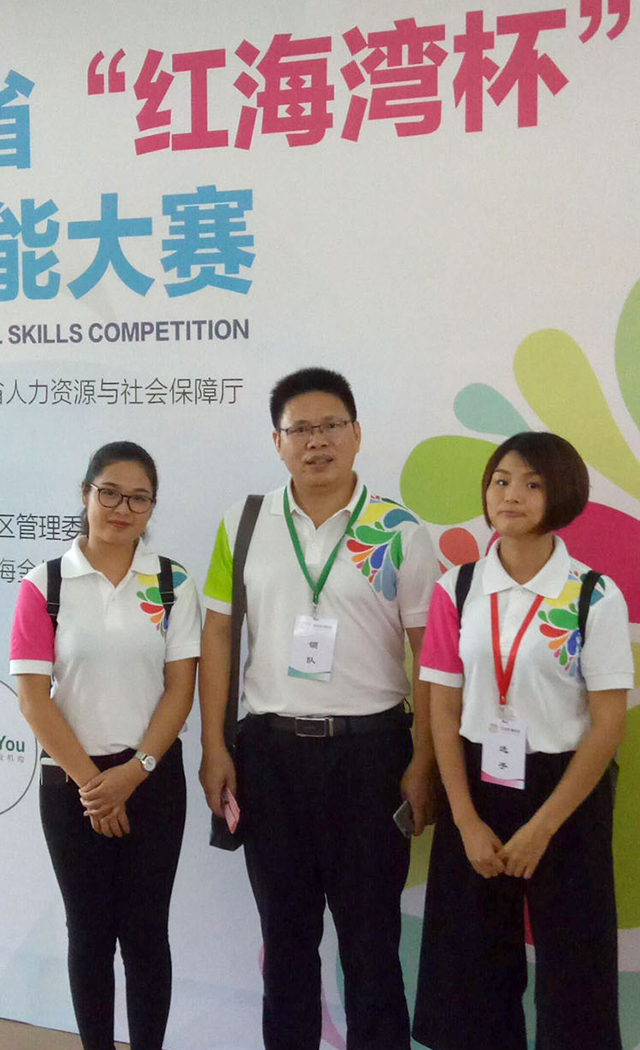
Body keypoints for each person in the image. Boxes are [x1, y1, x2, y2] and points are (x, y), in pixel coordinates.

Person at [199, 367, 440, 1050]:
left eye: (331, 425)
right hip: (268, 755)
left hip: (371, 757)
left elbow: (430, 654)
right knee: (285, 940)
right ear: (276, 442)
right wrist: (214, 747)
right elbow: (218, 634)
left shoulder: (398, 530)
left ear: (356, 434)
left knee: (371, 942)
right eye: (299, 429)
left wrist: (424, 759)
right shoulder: (244, 522)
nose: (317, 441)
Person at [412, 431, 632, 1050]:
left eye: (533, 484)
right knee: (470, 970)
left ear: (561, 494)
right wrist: (464, 820)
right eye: (501, 480)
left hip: (566, 791)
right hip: (476, 783)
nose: (511, 495)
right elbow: (442, 706)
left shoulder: (592, 594)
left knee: (576, 970)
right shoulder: (457, 589)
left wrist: (543, 828)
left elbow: (608, 723)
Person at [9, 441, 201, 1050]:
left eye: (139, 498)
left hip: (152, 781)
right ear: (85, 494)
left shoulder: (171, 583)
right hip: (71, 785)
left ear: (152, 507)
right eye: (110, 493)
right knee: (89, 934)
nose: (123, 508)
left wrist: (133, 773)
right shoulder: (45, 584)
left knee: (146, 935)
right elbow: (32, 698)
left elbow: (180, 691)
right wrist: (96, 786)